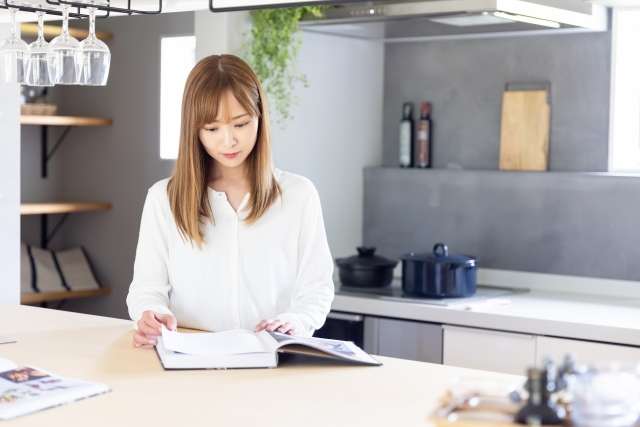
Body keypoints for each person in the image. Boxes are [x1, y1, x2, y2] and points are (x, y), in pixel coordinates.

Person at [126, 55, 334, 348]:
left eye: (240, 124)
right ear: (193, 130)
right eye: (212, 129)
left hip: (271, 360)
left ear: (259, 116)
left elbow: (316, 288)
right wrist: (154, 316)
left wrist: (295, 322)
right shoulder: (164, 199)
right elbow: (147, 288)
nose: (228, 141)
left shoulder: (299, 195)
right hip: (188, 361)